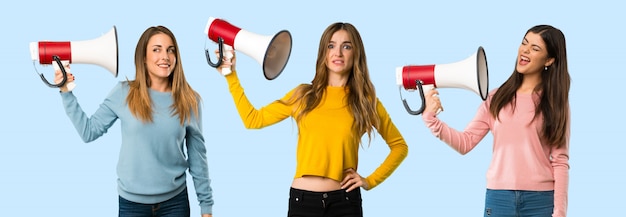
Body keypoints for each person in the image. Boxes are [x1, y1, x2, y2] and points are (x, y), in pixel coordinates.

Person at [214, 22, 408, 217]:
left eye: (346, 46)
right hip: (303, 203)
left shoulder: (366, 102)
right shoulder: (303, 95)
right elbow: (252, 119)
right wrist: (230, 76)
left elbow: (400, 146)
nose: (338, 53)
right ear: (323, 53)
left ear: (356, 53)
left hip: (346, 202)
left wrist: (370, 181)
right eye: (331, 46)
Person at [54, 26, 214, 217]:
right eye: (156, 49)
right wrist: (66, 91)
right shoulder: (123, 93)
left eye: (170, 50)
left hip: (175, 204)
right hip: (132, 205)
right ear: (143, 57)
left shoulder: (189, 100)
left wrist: (206, 208)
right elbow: (88, 132)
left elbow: (198, 157)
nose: (165, 56)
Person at [422, 24, 570, 217]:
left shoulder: (556, 104)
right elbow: (465, 142)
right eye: (524, 43)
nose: (525, 50)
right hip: (499, 199)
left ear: (549, 60)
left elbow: (560, 161)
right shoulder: (496, 99)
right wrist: (430, 118)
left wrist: (560, 212)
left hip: (541, 202)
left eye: (535, 48)